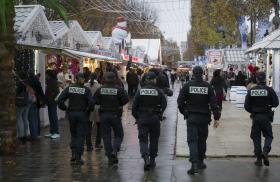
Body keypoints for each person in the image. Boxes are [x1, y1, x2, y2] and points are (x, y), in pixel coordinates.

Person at [177, 66, 221, 175]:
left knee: (192, 141)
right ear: (202, 74)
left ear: (193, 74)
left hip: (191, 116)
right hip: (204, 118)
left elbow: (180, 101)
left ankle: (194, 164)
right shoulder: (208, 86)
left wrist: (185, 112)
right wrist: (216, 117)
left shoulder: (187, 85)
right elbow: (214, 103)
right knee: (202, 140)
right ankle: (200, 162)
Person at [132, 72, 167, 170]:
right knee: (154, 140)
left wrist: (137, 117)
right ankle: (152, 160)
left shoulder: (140, 91)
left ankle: (145, 157)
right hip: (155, 118)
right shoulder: (159, 91)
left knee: (143, 139)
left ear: (147, 80)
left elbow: (134, 106)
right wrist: (160, 114)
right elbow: (164, 104)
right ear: (154, 80)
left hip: (142, 118)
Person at [57, 73, 94, 165]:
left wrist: (66, 109)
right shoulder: (86, 90)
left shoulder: (69, 88)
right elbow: (91, 103)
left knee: (74, 134)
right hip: (82, 114)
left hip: (72, 114)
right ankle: (78, 156)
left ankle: (73, 154)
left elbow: (60, 100)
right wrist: (88, 110)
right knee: (80, 135)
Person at [93, 72, 129, 165]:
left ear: (105, 79)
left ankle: (110, 156)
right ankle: (115, 150)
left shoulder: (100, 89)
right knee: (119, 135)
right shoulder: (119, 89)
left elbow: (95, 101)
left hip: (104, 115)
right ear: (115, 79)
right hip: (115, 115)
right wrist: (118, 104)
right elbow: (126, 100)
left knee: (106, 136)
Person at [244, 72, 279, 167]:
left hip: (255, 117)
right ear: (265, 79)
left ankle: (259, 159)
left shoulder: (252, 90)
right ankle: (266, 151)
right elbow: (276, 103)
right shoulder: (270, 90)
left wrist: (253, 110)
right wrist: (269, 106)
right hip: (266, 116)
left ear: (257, 79)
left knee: (256, 137)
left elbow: (246, 106)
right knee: (269, 136)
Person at [85, 73, 102, 151]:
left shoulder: (85, 85)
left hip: (88, 108)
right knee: (99, 127)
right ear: (97, 77)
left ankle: (89, 145)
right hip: (98, 108)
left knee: (88, 127)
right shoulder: (100, 86)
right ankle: (98, 144)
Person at [45, 69, 60, 139]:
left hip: (52, 102)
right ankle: (52, 131)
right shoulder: (49, 81)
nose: (45, 76)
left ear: (48, 75)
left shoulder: (53, 81)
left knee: (53, 116)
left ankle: (56, 132)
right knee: (51, 116)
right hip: (49, 101)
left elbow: (57, 91)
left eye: (46, 74)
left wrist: (52, 98)